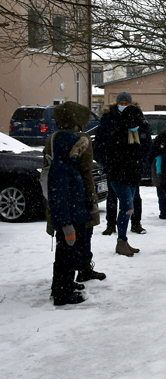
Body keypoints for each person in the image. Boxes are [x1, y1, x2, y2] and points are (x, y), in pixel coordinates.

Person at [45, 102, 106, 284]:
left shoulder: (53, 138)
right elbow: (86, 170)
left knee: (68, 240)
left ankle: (74, 273)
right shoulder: (80, 140)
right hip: (76, 194)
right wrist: (91, 198)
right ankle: (79, 271)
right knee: (80, 235)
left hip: (59, 193)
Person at [45, 123, 92, 305]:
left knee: (70, 256)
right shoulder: (60, 169)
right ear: (66, 149)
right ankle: (61, 293)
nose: (78, 153)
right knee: (65, 257)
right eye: (76, 149)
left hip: (75, 218)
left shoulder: (67, 165)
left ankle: (66, 284)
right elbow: (59, 200)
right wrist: (66, 224)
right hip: (69, 222)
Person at [95, 91, 148, 235]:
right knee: (112, 197)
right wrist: (105, 161)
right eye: (121, 103)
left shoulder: (137, 117)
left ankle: (136, 223)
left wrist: (141, 160)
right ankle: (111, 224)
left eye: (126, 103)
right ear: (117, 104)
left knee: (135, 197)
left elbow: (146, 141)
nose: (123, 106)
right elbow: (99, 142)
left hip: (132, 165)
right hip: (114, 166)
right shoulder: (109, 118)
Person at [105, 104, 147, 256]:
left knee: (129, 209)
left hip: (131, 178)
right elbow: (115, 158)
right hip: (120, 178)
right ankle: (121, 241)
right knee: (127, 208)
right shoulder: (119, 135)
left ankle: (123, 240)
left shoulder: (132, 134)